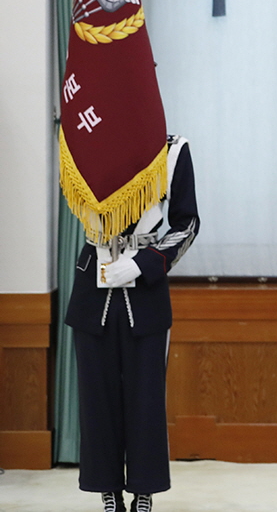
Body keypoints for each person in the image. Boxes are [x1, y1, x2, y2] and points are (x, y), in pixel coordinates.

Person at [65, 135, 200, 512]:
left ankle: (144, 489)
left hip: (145, 290)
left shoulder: (173, 149)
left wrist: (143, 264)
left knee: (146, 399)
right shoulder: (82, 140)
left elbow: (186, 223)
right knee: (96, 398)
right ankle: (107, 489)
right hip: (94, 284)